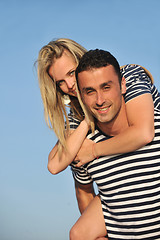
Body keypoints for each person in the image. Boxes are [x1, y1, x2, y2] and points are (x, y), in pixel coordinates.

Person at [68, 49, 160, 239]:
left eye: (106, 87)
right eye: (90, 91)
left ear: (123, 85)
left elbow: (143, 134)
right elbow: (84, 194)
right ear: (82, 97)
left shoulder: (154, 124)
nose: (100, 100)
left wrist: (95, 151)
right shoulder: (82, 147)